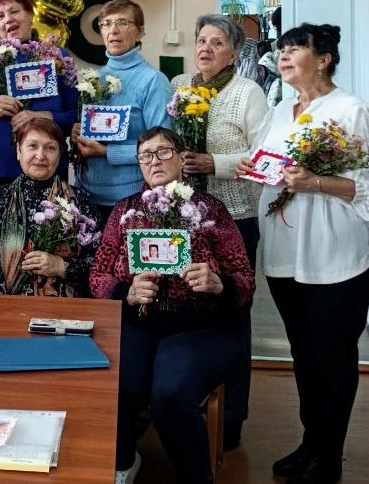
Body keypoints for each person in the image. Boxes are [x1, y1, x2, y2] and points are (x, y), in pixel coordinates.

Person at [235, 22, 369, 484]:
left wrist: (317, 182)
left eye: (294, 49)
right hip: (286, 253)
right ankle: (311, 442)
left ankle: (329, 455)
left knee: (333, 357)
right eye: (281, 49)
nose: (282, 56)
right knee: (303, 355)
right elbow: (269, 166)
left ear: (323, 59)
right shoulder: (280, 111)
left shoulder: (352, 111)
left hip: (336, 256)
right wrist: (252, 168)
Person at [91, 127, 254, 484]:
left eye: (164, 152)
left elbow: (244, 280)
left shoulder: (211, 210)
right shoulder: (125, 210)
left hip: (201, 326)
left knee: (170, 395)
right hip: (139, 323)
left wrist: (218, 284)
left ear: (182, 159)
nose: (155, 161)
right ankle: (122, 462)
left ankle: (196, 477)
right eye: (146, 155)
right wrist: (127, 293)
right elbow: (98, 275)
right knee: (117, 385)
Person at [170, 13, 272, 451]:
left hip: (236, 219)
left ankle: (231, 418)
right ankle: (186, 406)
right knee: (187, 312)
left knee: (233, 315)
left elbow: (266, 157)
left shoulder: (248, 92)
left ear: (234, 52)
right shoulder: (179, 87)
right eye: (201, 41)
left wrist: (217, 164)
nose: (206, 49)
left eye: (216, 42)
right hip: (186, 220)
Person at [0, 0, 78, 209]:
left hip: (48, 171)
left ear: (30, 15)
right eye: (0, 16)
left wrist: (43, 117)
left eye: (14, 11)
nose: (8, 19)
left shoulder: (55, 57)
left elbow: (76, 117)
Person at [72, 0, 173, 222]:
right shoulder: (94, 79)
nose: (113, 30)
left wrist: (106, 152)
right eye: (106, 24)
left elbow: (163, 148)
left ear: (140, 33)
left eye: (122, 22)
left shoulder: (153, 81)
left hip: (132, 197)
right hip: (87, 194)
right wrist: (78, 133)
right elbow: (91, 132)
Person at [0, 117, 98, 296]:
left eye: (50, 148)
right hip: (7, 305)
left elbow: (99, 265)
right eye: (32, 146)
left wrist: (61, 266)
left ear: (60, 155)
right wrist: (4, 304)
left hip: (65, 306)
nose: (40, 156)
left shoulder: (79, 201)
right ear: (18, 150)